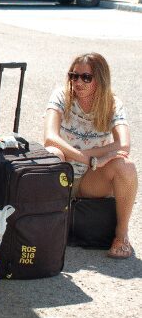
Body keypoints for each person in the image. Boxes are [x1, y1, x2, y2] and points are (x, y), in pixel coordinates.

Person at [44, 53, 137, 259]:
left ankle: (121, 236)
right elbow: (50, 137)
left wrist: (91, 158)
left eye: (86, 77)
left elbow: (124, 144)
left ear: (100, 79)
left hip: (90, 180)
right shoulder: (61, 96)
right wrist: (86, 158)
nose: (78, 82)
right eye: (73, 76)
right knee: (52, 153)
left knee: (126, 166)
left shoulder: (112, 104)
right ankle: (44, 229)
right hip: (63, 174)